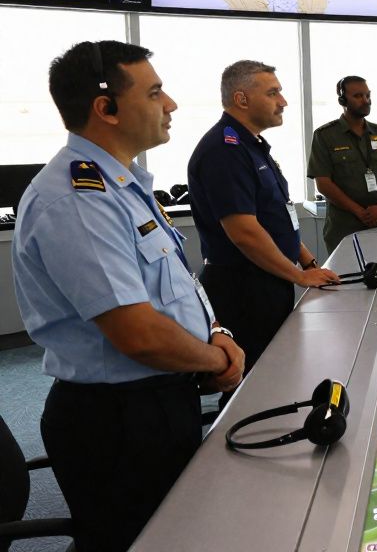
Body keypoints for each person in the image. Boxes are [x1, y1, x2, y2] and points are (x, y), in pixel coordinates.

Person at [12, 41, 244, 552]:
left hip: (156, 403)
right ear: (106, 109)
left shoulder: (124, 186)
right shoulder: (77, 199)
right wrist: (213, 358)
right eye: (156, 91)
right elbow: (136, 332)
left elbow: (174, 287)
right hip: (116, 424)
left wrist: (218, 335)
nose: (172, 104)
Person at [187, 60, 338, 379]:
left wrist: (309, 264)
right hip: (243, 289)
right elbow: (245, 233)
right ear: (242, 99)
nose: (282, 101)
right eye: (273, 93)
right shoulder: (224, 150)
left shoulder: (251, 146)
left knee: (277, 373)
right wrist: (299, 277)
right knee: (257, 382)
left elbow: (276, 218)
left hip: (268, 280)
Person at [306, 75, 377, 253]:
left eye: (368, 95)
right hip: (344, 228)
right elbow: (323, 183)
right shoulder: (325, 135)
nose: (366, 101)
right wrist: (360, 212)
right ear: (342, 100)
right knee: (346, 278)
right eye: (358, 96)